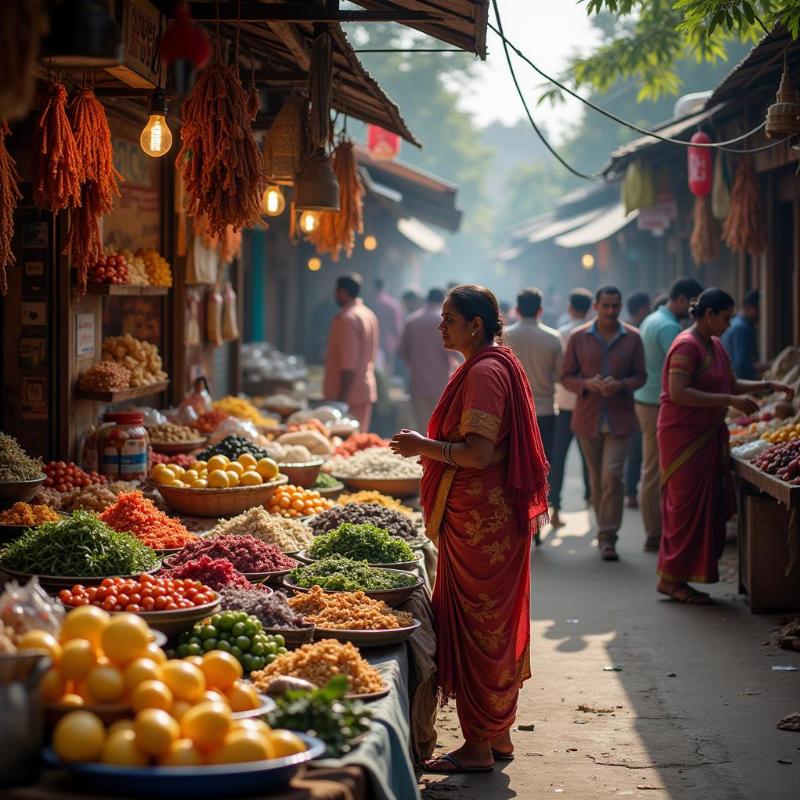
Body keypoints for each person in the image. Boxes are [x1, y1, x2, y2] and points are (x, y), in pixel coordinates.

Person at [390, 285, 549, 774]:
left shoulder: (484, 372)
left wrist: (423, 446)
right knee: (491, 627)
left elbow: (478, 453)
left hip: (483, 524)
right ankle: (497, 736)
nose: (440, 326)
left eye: (449, 319)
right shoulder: (494, 363)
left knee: (480, 627)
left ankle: (478, 746)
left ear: (475, 325)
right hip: (487, 520)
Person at [656, 289, 793, 604]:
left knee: (705, 510)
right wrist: (729, 401)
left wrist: (767, 386)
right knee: (685, 509)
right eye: (726, 318)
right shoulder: (685, 346)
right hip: (684, 437)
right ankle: (671, 580)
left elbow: (731, 383)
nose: (730, 324)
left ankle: (683, 577)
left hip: (707, 434)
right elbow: (678, 392)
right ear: (709, 315)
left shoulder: (714, 345)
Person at [561, 286, 646, 561]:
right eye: (606, 306)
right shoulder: (578, 337)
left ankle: (608, 535)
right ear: (595, 306)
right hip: (588, 418)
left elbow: (641, 376)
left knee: (612, 475)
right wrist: (588, 384)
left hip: (620, 418)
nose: (611, 311)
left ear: (620, 306)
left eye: (615, 306)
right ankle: (603, 530)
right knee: (597, 479)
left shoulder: (633, 338)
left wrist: (621, 384)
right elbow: (566, 377)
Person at [634, 277, 703, 552]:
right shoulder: (669, 327)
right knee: (655, 469)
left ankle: (655, 530)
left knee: (653, 467)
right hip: (656, 404)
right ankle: (655, 532)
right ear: (684, 300)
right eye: (693, 303)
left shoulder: (653, 319)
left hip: (647, 400)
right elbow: (680, 371)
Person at [550, 289, 593, 529]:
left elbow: (558, 372)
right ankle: (591, 502)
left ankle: (555, 509)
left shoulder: (561, 333)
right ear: (590, 308)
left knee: (559, 458)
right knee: (590, 457)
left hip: (564, 403)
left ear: (569, 308)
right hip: (587, 403)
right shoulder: (592, 333)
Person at [505, 287, 562, 465]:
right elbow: (561, 375)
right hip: (545, 410)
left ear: (518, 310)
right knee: (542, 463)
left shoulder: (503, 336)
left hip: (513, 410)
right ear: (540, 310)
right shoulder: (553, 338)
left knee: (515, 463)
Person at [323, 273, 379, 432]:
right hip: (362, 390)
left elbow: (349, 365)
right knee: (357, 443)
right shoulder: (367, 314)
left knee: (347, 446)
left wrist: (340, 402)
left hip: (348, 396)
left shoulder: (348, 319)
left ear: (341, 292)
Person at [397, 287, 457, 432]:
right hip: (442, 385)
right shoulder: (446, 321)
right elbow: (452, 353)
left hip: (417, 384)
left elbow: (402, 352)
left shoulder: (411, 320)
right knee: (440, 429)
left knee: (422, 429)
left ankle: (424, 454)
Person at [623, 291, 651, 509]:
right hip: (637, 398)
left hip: (634, 396)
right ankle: (630, 491)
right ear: (642, 308)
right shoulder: (632, 335)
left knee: (634, 447)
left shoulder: (634, 332)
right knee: (635, 448)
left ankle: (630, 490)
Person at [721, 289, 762, 380]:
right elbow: (741, 365)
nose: (760, 314)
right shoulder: (741, 328)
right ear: (748, 307)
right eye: (758, 310)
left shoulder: (737, 324)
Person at [371, 277, 404, 372]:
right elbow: (397, 327)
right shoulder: (392, 304)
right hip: (388, 343)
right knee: (385, 371)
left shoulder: (370, 302)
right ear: (385, 287)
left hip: (372, 342)